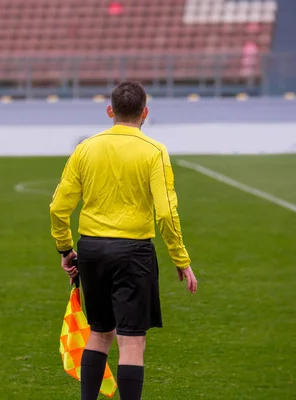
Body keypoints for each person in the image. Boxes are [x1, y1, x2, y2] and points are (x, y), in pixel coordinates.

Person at [49, 81, 197, 400]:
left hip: (91, 249)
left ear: (110, 111)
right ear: (145, 113)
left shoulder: (86, 148)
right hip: (133, 251)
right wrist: (181, 259)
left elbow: (59, 208)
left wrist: (65, 248)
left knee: (100, 333)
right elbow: (167, 213)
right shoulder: (154, 151)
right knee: (131, 340)